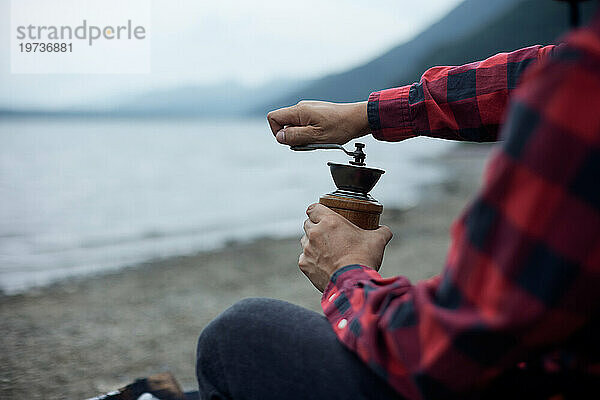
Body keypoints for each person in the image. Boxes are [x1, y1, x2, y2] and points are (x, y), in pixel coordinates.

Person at [196, 4, 600, 400]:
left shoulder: (581, 92)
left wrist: (346, 273)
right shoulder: (575, 75)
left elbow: (438, 354)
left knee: (235, 338)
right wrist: (365, 115)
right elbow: (528, 75)